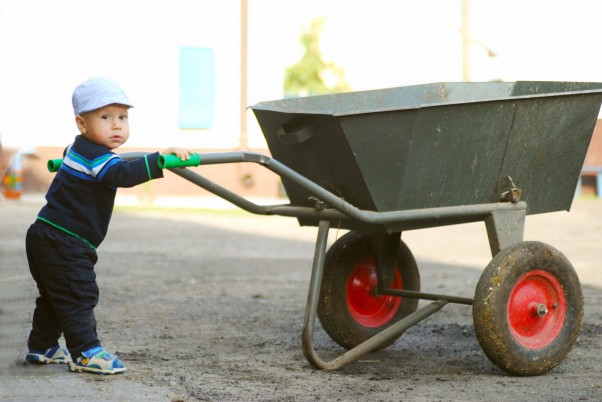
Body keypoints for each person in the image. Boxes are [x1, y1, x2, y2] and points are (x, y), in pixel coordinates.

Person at [24, 77, 191, 374]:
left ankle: (43, 346)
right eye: (105, 117)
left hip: (45, 233)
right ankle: (86, 352)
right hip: (66, 239)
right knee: (78, 293)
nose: (117, 125)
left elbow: (93, 164)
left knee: (54, 294)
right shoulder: (96, 156)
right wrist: (159, 160)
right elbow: (121, 175)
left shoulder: (75, 149)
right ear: (82, 124)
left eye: (122, 117)